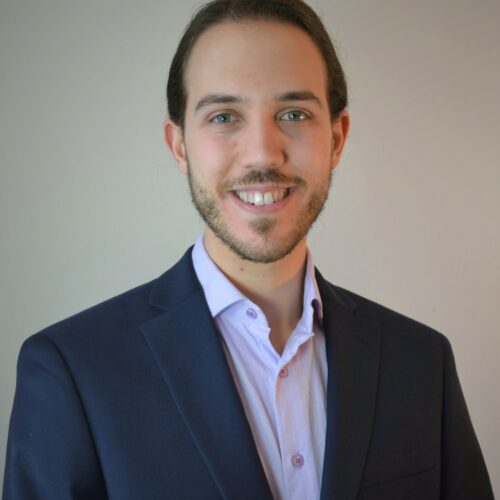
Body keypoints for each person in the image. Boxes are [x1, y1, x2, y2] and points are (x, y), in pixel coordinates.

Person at [3, 0, 494, 499]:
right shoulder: (73, 372)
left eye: (294, 113)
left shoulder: (421, 363)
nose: (262, 153)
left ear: (337, 139)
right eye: (223, 116)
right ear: (180, 147)